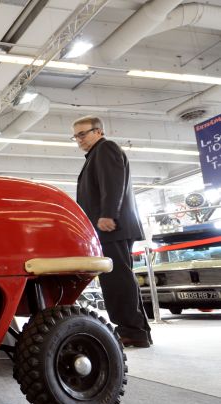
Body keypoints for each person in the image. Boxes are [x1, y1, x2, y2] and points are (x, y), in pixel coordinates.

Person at [73, 115, 152, 348]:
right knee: (122, 278)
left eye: (82, 134)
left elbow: (113, 182)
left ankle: (130, 330)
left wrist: (108, 214)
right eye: (75, 136)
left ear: (98, 131)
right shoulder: (96, 154)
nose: (78, 140)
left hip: (110, 225)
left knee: (116, 280)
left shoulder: (105, 148)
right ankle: (137, 331)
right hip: (111, 226)